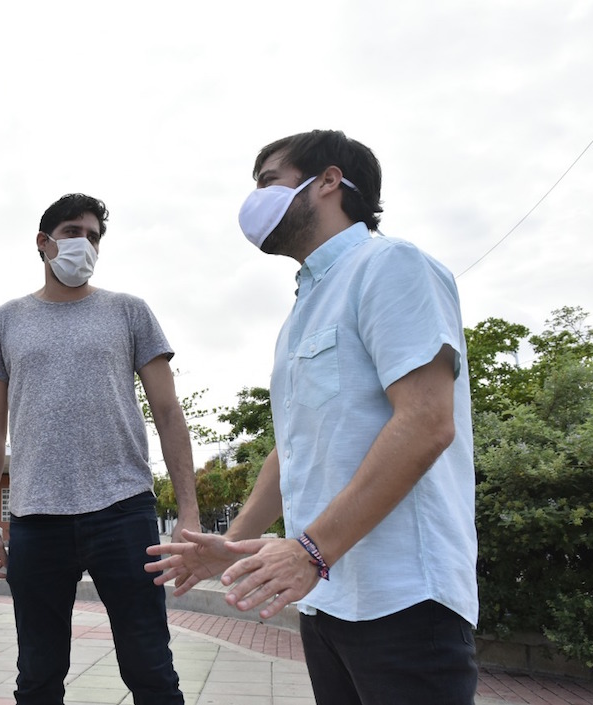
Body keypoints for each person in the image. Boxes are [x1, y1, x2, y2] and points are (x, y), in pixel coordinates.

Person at [146, 130, 479, 705]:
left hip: (403, 599)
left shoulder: (390, 265)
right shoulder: (305, 306)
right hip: (325, 601)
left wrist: (310, 550)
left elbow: (427, 421)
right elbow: (295, 445)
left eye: (269, 180)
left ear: (328, 180)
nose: (256, 199)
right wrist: (235, 541)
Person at [0, 193, 201, 705]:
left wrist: (188, 509)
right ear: (44, 243)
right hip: (35, 516)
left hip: (123, 509)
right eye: (74, 232)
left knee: (151, 669)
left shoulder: (129, 312)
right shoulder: (6, 321)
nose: (86, 244)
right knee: (37, 674)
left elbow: (168, 412)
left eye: (95, 236)